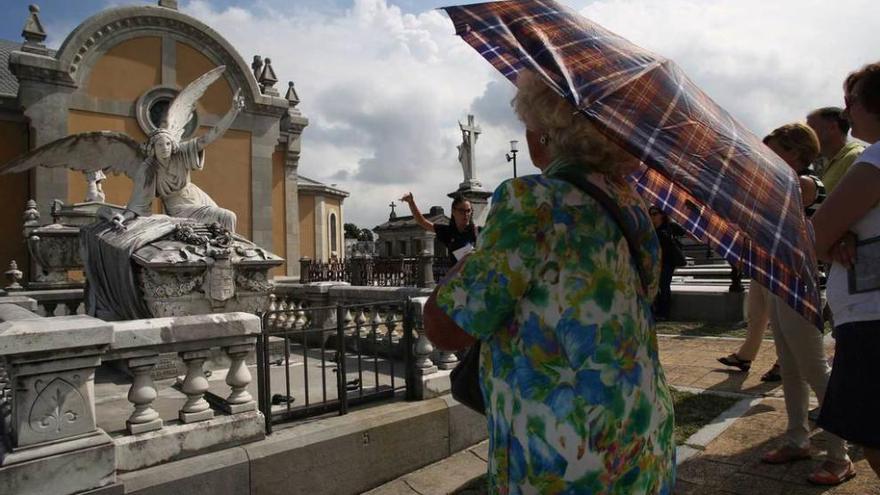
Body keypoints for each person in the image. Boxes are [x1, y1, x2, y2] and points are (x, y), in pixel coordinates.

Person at [424, 71, 675, 493]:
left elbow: (448, 327)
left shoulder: (531, 200)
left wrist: (463, 267)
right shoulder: (631, 204)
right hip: (639, 428)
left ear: (547, 132)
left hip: (563, 451)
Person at [753, 123, 853, 485]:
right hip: (780, 280)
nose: (765, 157)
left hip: (800, 283)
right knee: (792, 368)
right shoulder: (785, 181)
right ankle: (798, 438)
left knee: (814, 369)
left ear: (795, 153)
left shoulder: (803, 183)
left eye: (774, 149)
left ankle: (839, 455)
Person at [812, 60, 880, 481]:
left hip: (872, 319)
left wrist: (833, 239)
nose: (845, 110)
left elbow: (815, 236)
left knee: (874, 433)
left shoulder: (875, 160)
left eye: (850, 101)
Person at [125, 92, 244, 233]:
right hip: (178, 207)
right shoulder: (148, 168)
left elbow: (209, 138)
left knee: (220, 227)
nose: (165, 148)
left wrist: (233, 111)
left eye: (168, 144)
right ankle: (226, 250)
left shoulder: (180, 153)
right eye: (160, 145)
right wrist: (124, 217)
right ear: (153, 148)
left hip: (197, 196)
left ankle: (228, 250)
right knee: (228, 216)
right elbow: (138, 202)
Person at [399, 192, 477, 262]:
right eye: (461, 210)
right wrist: (411, 202)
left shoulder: (477, 231)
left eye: (468, 211)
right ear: (453, 212)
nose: (466, 214)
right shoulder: (448, 231)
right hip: (456, 276)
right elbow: (422, 222)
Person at [806, 107, 864, 193]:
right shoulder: (826, 163)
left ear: (833, 127)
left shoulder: (856, 157)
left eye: (811, 128)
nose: (807, 133)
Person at [649, 205, 686, 320]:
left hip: (667, 262)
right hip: (655, 262)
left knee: (664, 286)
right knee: (655, 287)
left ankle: (664, 313)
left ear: (662, 215)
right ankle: (657, 311)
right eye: (650, 214)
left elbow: (683, 232)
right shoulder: (650, 229)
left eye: (655, 214)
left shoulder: (669, 227)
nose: (652, 217)